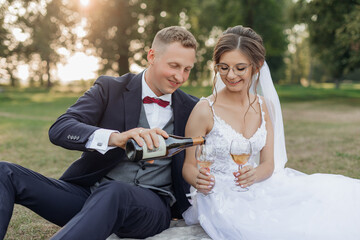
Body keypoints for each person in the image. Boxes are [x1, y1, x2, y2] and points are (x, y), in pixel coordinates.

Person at [0, 26, 198, 240]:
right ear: (152, 56)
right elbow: (61, 128)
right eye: (174, 66)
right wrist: (115, 138)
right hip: (90, 196)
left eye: (187, 69)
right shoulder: (110, 88)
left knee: (114, 191)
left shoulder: (193, 108)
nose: (180, 76)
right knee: (5, 173)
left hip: (150, 208)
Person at [182, 25, 360, 240]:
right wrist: (198, 180)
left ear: (256, 67)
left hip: (259, 185)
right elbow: (189, 166)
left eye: (240, 68)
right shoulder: (204, 110)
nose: (231, 75)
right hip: (219, 196)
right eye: (224, 67)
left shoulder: (264, 106)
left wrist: (254, 175)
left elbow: (268, 164)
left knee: (330, 200)